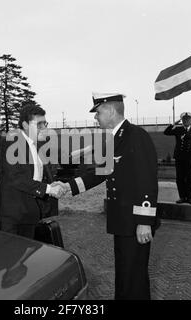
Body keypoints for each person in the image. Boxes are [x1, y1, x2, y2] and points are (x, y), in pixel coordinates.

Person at [54, 92, 160, 300]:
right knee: (125, 274)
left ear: (111, 111)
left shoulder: (136, 136)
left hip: (134, 222)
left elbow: (147, 180)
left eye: (98, 112)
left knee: (134, 278)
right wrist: (67, 186)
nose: (96, 117)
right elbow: (98, 173)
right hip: (123, 221)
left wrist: (145, 221)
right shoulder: (115, 139)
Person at [0, 104, 65, 239]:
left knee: (27, 256)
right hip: (13, 215)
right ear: (25, 125)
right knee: (11, 257)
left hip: (29, 212)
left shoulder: (36, 145)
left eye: (44, 123)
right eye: (39, 124)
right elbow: (16, 178)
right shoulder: (12, 142)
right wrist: (49, 189)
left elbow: (40, 174)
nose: (44, 128)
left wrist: (53, 184)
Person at [164, 112, 191, 205]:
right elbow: (166, 132)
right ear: (182, 121)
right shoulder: (178, 129)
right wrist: (173, 124)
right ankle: (182, 197)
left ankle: (189, 198)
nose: (186, 121)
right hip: (179, 157)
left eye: (188, 119)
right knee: (180, 178)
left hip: (190, 158)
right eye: (184, 119)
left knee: (189, 178)